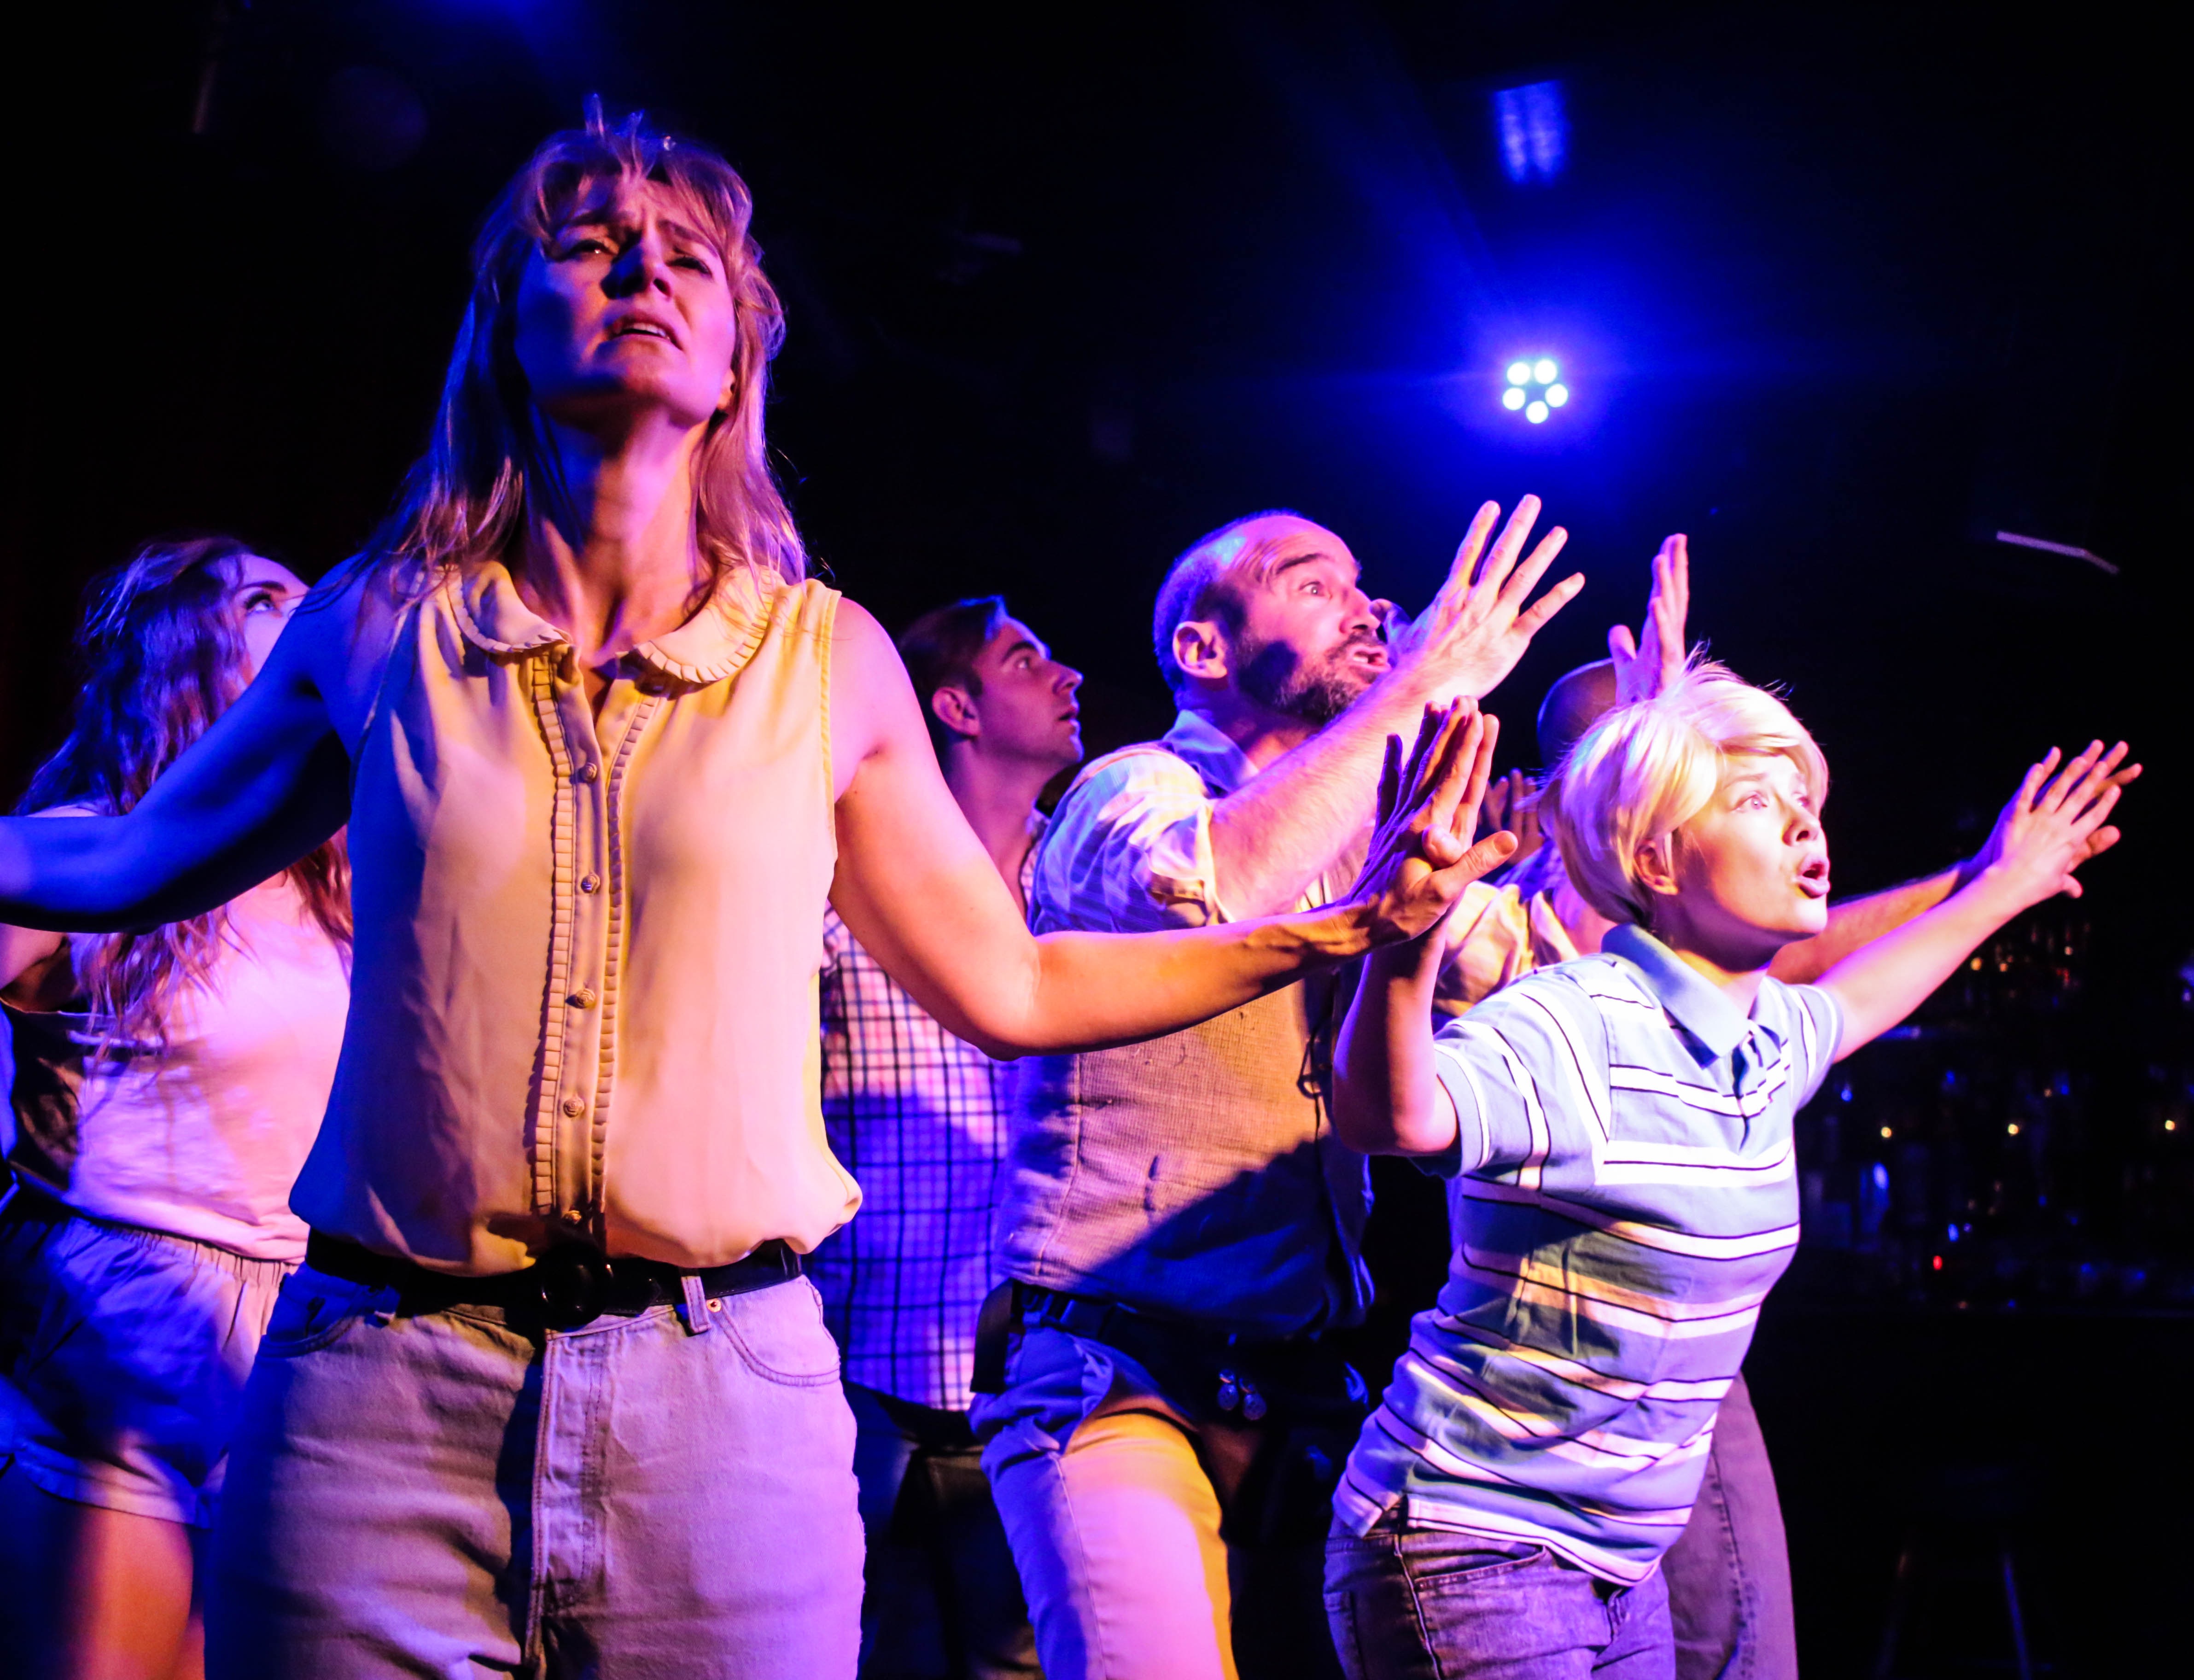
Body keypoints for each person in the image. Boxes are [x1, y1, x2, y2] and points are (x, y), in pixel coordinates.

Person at [0, 111, 1511, 1680]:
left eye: (689, 258)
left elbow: (1020, 988)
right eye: (586, 245)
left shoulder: (825, 656)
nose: (641, 264)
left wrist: (1344, 929)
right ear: (507, 328)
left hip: (719, 1409)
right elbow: (118, 861)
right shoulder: (379, 623)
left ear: (736, 364)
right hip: (382, 1400)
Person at [1325, 661, 2132, 1680]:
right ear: (1658, 860)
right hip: (1469, 1548)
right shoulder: (1577, 1020)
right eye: (1761, 803)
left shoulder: (1758, 1040)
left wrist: (2009, 878)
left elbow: (1862, 997)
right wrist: (1402, 945)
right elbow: (1385, 1117)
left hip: (1620, 1567)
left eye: (1806, 804)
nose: (1807, 829)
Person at [980, 499, 1586, 1680]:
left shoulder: (1377, 834)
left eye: (1364, 587)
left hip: (1301, 1387)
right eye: (1314, 584)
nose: (1367, 610)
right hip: (1118, 1375)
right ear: (1204, 650)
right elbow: (1217, 885)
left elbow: (1546, 989)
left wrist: (1628, 780)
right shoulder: (1132, 789)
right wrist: (1415, 692)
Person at [0, 537, 347, 1680]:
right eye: (265, 600)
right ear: (180, 649)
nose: (308, 616)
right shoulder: (81, 851)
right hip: (125, 1316)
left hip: (306, 1329)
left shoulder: (343, 880)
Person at [813, 595, 1078, 1680]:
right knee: (848, 1657)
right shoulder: (846, 886)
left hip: (1026, 1374)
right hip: (857, 1366)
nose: (1067, 677)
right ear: (955, 706)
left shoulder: (1095, 887)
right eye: (1028, 656)